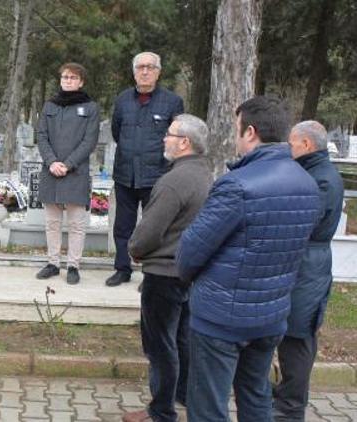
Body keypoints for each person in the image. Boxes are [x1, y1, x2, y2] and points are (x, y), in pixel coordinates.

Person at [176, 96, 321, 422]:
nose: (235, 135)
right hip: (271, 314)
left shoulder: (237, 185)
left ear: (251, 132)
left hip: (221, 319)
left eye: (237, 129)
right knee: (256, 398)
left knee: (208, 406)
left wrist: (193, 279)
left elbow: (189, 253)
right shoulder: (307, 184)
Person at [122, 114, 213, 422]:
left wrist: (134, 250)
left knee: (161, 345)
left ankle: (161, 411)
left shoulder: (174, 180)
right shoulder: (204, 175)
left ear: (184, 142)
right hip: (189, 273)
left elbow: (149, 231)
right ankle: (184, 395)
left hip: (164, 275)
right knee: (182, 340)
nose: (164, 138)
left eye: (170, 134)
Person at [273, 120, 344, 421]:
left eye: (291, 143)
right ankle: (285, 397)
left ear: (306, 145)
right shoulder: (313, 173)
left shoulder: (322, 180)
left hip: (308, 268)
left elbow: (303, 223)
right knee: (290, 336)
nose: (287, 148)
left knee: (298, 340)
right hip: (303, 265)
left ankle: (291, 407)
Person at [106, 52, 184, 288]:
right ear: (134, 72)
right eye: (140, 67)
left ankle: (151, 273)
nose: (145, 71)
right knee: (123, 226)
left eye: (150, 67)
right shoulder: (122, 100)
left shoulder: (172, 102)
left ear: (158, 72)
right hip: (125, 174)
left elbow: (176, 135)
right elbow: (116, 132)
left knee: (155, 226)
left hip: (157, 176)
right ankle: (122, 268)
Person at [34, 63, 100, 285]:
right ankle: (53, 263)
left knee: (76, 223)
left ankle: (73, 265)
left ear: (81, 82)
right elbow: (41, 135)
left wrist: (68, 164)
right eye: (64, 77)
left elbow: (89, 141)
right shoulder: (50, 105)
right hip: (51, 170)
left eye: (73, 77)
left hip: (76, 171)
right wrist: (52, 162)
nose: (68, 80)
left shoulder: (90, 108)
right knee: (52, 222)